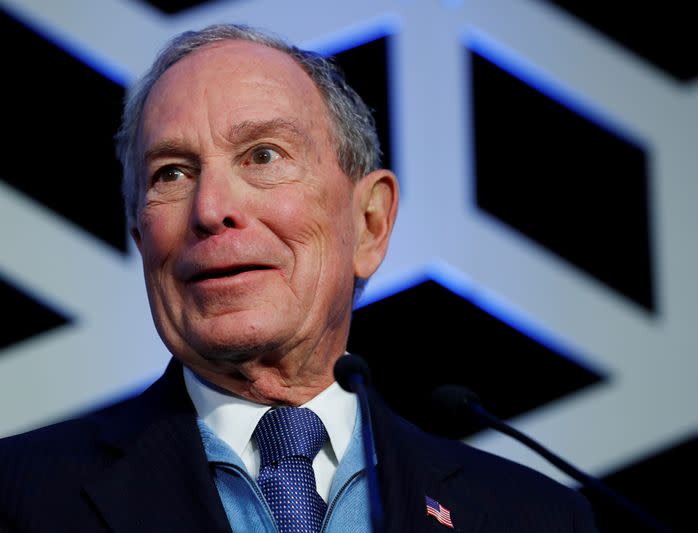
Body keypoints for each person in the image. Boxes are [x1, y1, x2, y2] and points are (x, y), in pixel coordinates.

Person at [0, 24, 597, 532]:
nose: (210, 208)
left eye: (262, 156)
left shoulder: (534, 517)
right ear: (140, 240)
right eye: (173, 173)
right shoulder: (20, 499)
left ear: (369, 224)